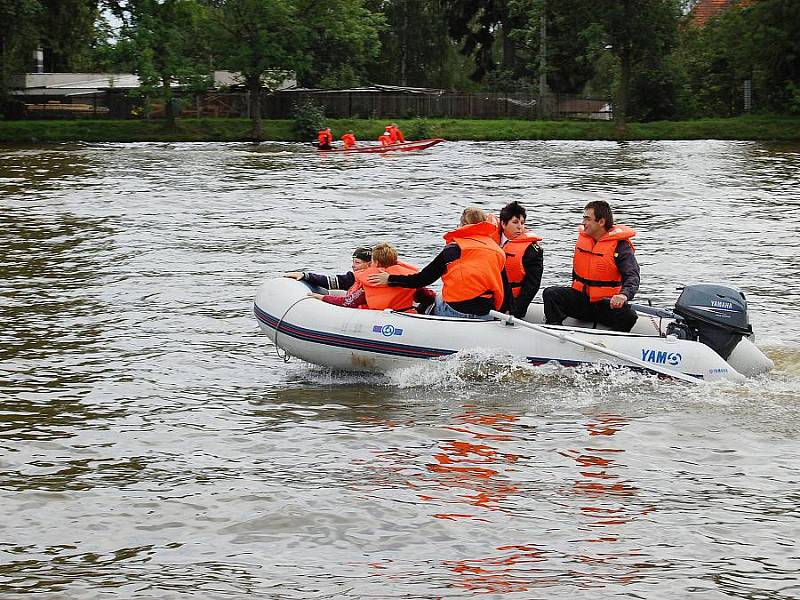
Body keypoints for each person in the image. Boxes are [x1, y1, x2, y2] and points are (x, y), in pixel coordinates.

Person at [367, 207, 505, 320]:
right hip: (486, 311)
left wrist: (390, 279)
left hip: (458, 310)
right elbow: (505, 287)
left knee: (434, 300)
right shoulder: (497, 251)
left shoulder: (453, 249)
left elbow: (422, 279)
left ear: (462, 225)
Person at [542, 200, 639, 332]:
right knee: (551, 294)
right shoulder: (583, 240)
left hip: (606, 303)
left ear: (601, 222)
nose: (583, 223)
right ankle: (555, 331)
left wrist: (623, 295)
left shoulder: (621, 247)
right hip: (582, 301)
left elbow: (632, 276)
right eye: (583, 218)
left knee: (630, 316)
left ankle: (610, 341)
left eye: (587, 219)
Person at [309, 243, 420, 311]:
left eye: (357, 262)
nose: (353, 266)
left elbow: (349, 302)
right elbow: (425, 295)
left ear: (373, 262)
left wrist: (322, 297)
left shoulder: (370, 279)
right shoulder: (409, 279)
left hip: (381, 317)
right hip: (406, 313)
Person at [498, 201, 543, 318]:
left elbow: (532, 285)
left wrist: (515, 311)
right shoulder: (490, 240)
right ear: (503, 223)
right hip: (490, 295)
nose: (520, 227)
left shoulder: (532, 251)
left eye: (522, 223)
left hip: (512, 301)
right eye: (515, 222)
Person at [284, 247, 372, 296]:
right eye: (353, 262)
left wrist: (306, 275)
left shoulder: (379, 278)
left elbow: (328, 281)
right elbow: (330, 281)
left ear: (369, 264)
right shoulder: (352, 278)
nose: (353, 265)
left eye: (357, 263)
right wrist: (306, 276)